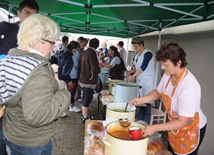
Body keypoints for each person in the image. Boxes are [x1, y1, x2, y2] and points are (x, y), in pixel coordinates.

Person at [0, 13, 70, 155]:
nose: (52, 48)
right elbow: (37, 115)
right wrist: (64, 94)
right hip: (32, 141)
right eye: (52, 42)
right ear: (38, 41)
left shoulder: (9, 59)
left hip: (13, 132)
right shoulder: (37, 70)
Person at [130, 43, 207, 155]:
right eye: (162, 64)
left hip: (189, 129)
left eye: (166, 64)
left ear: (178, 63)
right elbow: (158, 92)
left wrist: (155, 127)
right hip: (174, 126)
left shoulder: (189, 87)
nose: (162, 67)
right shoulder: (168, 74)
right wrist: (141, 99)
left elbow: (182, 122)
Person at [0, 1, 39, 155]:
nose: (30, 18)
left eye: (33, 15)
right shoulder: (5, 28)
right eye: (27, 13)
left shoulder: (36, 40)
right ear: (19, 12)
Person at [128, 37, 155, 124]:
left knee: (147, 100)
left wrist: (133, 76)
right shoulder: (137, 55)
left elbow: (143, 67)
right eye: (134, 46)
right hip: (141, 80)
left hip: (148, 80)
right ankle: (140, 117)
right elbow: (137, 68)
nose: (135, 48)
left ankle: (146, 120)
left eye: (136, 46)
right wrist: (131, 72)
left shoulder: (148, 54)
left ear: (141, 45)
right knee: (140, 99)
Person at [78, 38, 100, 122]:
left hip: (83, 77)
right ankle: (85, 117)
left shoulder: (85, 52)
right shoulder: (92, 53)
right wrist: (99, 68)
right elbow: (94, 69)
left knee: (84, 97)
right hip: (89, 79)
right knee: (87, 98)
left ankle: (84, 115)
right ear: (97, 45)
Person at [67, 41, 82, 112]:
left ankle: (68, 104)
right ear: (75, 48)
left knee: (69, 90)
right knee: (72, 90)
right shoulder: (76, 53)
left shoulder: (67, 52)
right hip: (73, 75)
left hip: (68, 74)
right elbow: (76, 65)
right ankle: (72, 105)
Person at [75, 36, 88, 101]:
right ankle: (75, 98)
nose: (85, 45)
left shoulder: (81, 51)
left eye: (85, 44)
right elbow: (76, 63)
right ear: (79, 43)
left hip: (78, 71)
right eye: (83, 44)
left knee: (78, 84)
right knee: (75, 85)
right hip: (75, 71)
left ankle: (78, 96)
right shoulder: (77, 51)